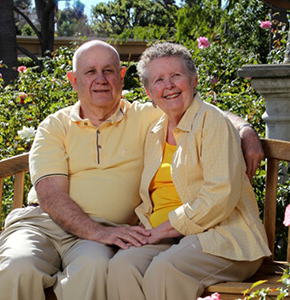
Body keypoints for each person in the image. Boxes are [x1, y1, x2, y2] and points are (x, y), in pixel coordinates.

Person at [0, 40, 263, 300]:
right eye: (90, 72)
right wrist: (99, 233)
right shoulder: (55, 126)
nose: (101, 79)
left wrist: (245, 130)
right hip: (44, 225)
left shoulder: (147, 117)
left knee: (98, 268)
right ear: (74, 81)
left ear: (121, 77)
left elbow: (198, 109)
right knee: (19, 267)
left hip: (104, 237)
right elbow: (51, 196)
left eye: (108, 71)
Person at [107, 42, 271, 300]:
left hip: (224, 238)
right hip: (168, 237)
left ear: (193, 81)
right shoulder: (154, 131)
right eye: (159, 80)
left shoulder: (213, 122)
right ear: (149, 92)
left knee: (165, 270)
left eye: (176, 75)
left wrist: (161, 230)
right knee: (121, 267)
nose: (169, 85)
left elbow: (219, 195)